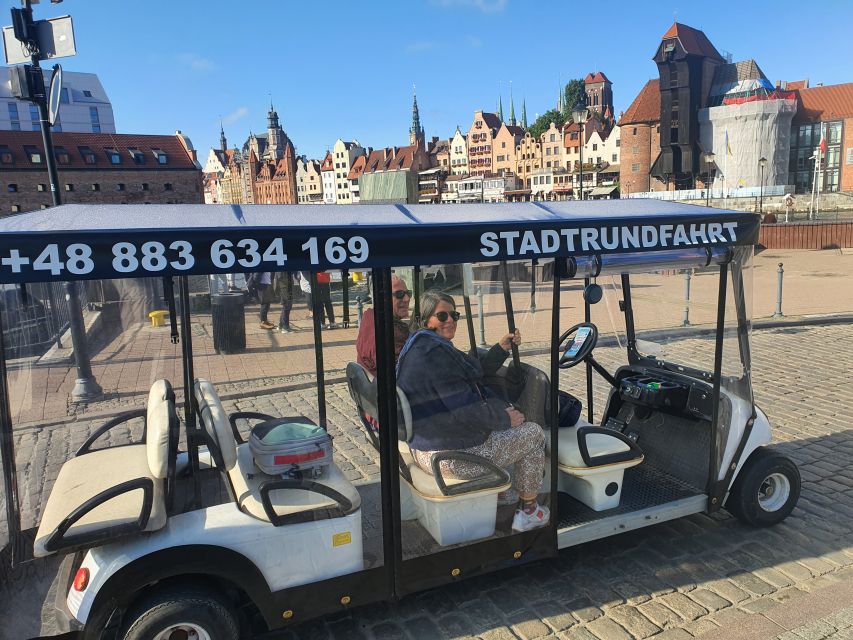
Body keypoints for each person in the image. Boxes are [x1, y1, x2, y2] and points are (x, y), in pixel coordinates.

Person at [396, 291, 549, 532]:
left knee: (505, 427)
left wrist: (500, 349)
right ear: (426, 319)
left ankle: (500, 495)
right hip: (449, 459)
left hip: (426, 446)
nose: (450, 320)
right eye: (442, 315)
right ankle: (529, 511)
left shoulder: (421, 344)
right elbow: (464, 410)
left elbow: (469, 371)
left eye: (454, 315)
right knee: (533, 433)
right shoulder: (435, 355)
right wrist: (505, 417)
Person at [356, 274, 411, 376]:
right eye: (400, 294)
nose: (407, 299)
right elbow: (407, 371)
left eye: (408, 293)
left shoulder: (369, 316)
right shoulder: (391, 331)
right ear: (382, 298)